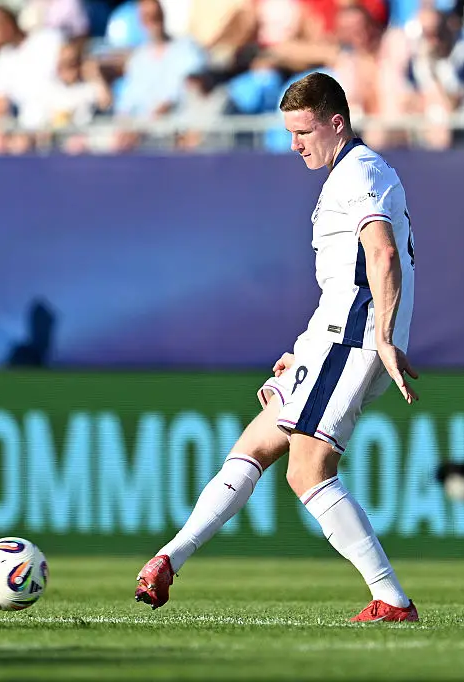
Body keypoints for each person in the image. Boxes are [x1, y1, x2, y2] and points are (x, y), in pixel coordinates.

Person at [134, 72, 420, 624]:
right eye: (290, 133)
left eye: (303, 132)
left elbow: (381, 256)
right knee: (252, 448)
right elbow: (346, 277)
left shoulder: (359, 172)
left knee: (307, 472)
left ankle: (393, 599)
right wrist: (304, 348)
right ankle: (169, 559)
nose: (294, 145)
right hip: (329, 339)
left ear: (336, 123)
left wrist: (382, 338)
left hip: (353, 339)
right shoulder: (347, 174)